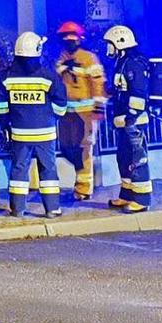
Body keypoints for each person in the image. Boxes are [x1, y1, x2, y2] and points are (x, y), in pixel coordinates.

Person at [0, 32, 70, 218]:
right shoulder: (47, 75)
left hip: (19, 133)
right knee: (48, 169)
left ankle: (18, 208)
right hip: (45, 133)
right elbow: (61, 103)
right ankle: (52, 209)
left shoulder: (7, 77)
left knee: (19, 168)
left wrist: (6, 125)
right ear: (37, 50)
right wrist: (53, 118)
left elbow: (1, 106)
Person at [103, 25, 162, 212]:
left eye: (110, 44)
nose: (109, 48)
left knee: (137, 159)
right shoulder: (122, 62)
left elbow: (139, 93)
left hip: (134, 121)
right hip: (124, 119)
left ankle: (142, 199)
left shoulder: (134, 64)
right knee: (123, 157)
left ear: (120, 42)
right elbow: (122, 88)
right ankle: (127, 195)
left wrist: (131, 116)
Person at [53, 20, 107, 200]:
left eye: (72, 37)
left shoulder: (89, 58)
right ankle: (80, 182)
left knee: (85, 149)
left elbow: (98, 83)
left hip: (86, 114)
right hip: (67, 114)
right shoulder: (62, 58)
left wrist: (98, 109)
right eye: (66, 37)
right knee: (68, 147)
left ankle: (84, 188)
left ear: (79, 38)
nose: (69, 40)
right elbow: (57, 78)